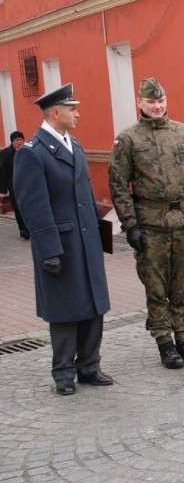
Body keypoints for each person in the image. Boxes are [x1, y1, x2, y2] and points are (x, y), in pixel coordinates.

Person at [13, 83, 112, 396]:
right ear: (56, 112)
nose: (77, 114)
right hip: (61, 246)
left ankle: (89, 366)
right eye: (72, 109)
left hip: (87, 242)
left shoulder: (76, 145)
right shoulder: (33, 153)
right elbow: (33, 207)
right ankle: (64, 373)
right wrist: (48, 250)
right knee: (66, 311)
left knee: (94, 306)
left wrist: (103, 230)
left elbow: (85, 195)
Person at [108, 78, 184, 369]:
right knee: (156, 287)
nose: (157, 106)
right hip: (150, 223)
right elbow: (118, 184)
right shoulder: (128, 139)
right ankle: (165, 343)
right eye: (151, 102)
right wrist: (131, 225)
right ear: (140, 103)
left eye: (161, 101)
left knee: (183, 284)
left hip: (183, 222)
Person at [0, 130, 28, 239]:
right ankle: (22, 229)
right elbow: (2, 171)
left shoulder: (27, 151)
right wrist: (2, 189)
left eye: (21, 139)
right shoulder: (5, 153)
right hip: (13, 185)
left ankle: (29, 227)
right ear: (12, 141)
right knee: (17, 207)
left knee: (27, 206)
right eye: (17, 140)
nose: (20, 142)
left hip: (27, 184)